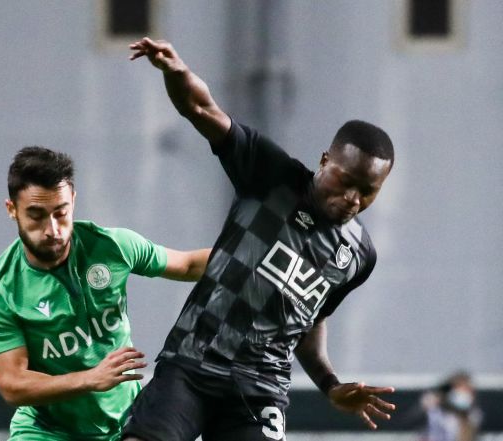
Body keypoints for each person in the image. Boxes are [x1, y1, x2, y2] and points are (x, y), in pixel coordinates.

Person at [123, 37, 397, 441]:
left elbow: (310, 320)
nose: (353, 198)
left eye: (368, 191)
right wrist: (177, 72)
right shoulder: (271, 175)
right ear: (325, 161)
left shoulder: (358, 257)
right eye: (346, 181)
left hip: (259, 388)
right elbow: (202, 109)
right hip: (191, 365)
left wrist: (330, 384)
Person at [0, 146, 211, 440]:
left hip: (128, 422)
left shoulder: (112, 246)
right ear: (12, 210)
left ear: (73, 201)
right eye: (36, 215)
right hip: (49, 432)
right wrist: (90, 379)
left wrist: (255, 255)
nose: (52, 229)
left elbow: (188, 265)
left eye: (61, 213)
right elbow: (12, 384)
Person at [418, 372, 483, 441]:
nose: (464, 395)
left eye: (467, 390)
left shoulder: (474, 415)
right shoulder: (437, 412)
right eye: (461, 389)